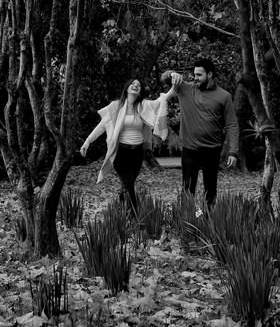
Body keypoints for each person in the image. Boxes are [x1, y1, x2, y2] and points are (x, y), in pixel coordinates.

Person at [80, 78, 171, 213]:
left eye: (138, 85)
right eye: (132, 84)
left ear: (140, 92)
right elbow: (102, 126)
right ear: (127, 88)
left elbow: (160, 101)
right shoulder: (116, 107)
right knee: (128, 183)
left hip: (137, 152)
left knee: (128, 184)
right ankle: (134, 215)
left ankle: (123, 212)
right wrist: (87, 141)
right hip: (120, 151)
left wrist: (173, 89)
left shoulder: (144, 106)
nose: (135, 85)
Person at [163, 57, 238, 207]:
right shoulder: (185, 88)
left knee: (210, 190)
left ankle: (207, 221)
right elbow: (163, 77)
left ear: (209, 75)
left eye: (199, 75)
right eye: (194, 74)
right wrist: (172, 74)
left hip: (212, 150)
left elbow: (231, 125)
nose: (195, 78)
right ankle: (187, 221)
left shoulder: (224, 96)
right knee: (187, 189)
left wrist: (233, 152)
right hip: (190, 150)